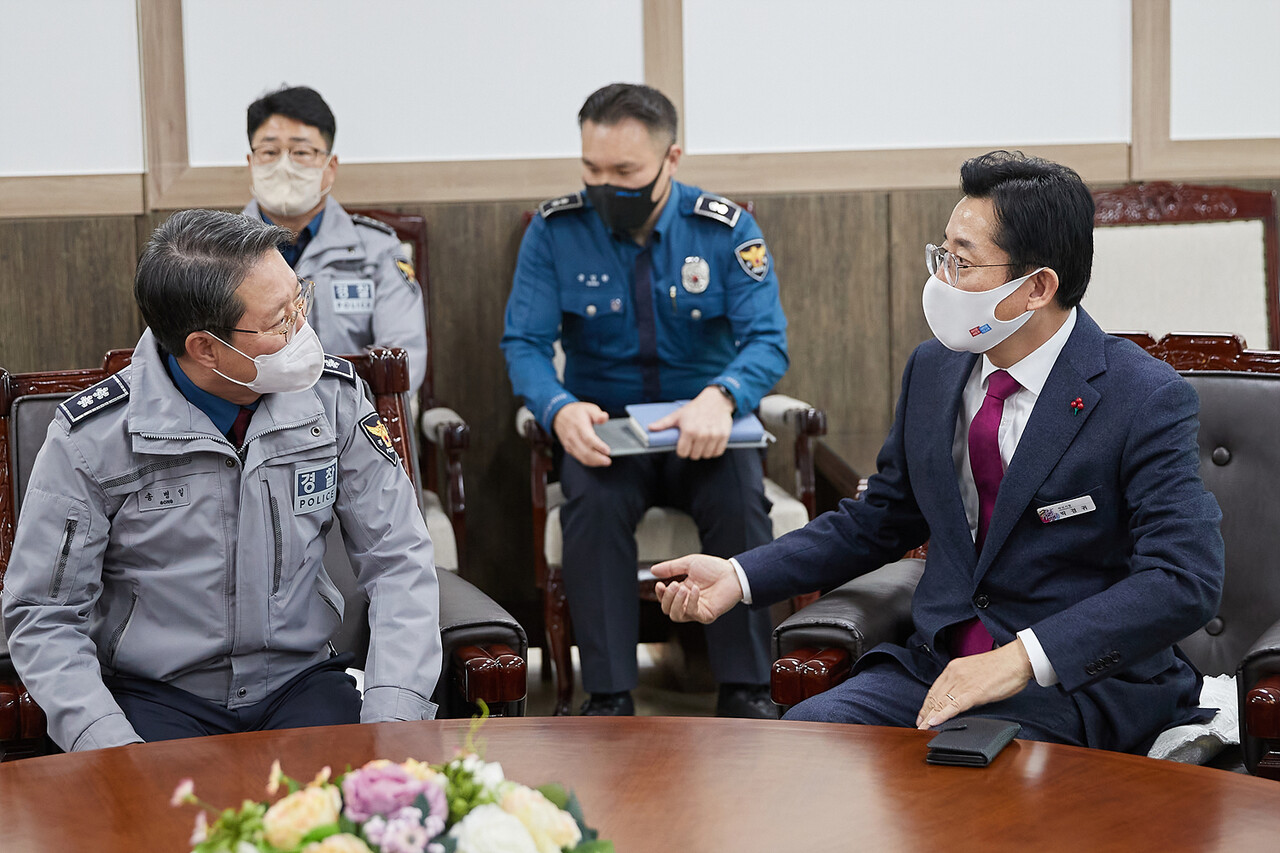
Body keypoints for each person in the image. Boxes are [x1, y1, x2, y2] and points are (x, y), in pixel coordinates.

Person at [654, 151, 1225, 753]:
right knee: (803, 746)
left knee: (962, 778)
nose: (941, 280)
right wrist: (741, 576)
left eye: (963, 261)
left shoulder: (1143, 397)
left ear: (1037, 287)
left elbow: (1183, 578)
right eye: (942, 254)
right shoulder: (934, 368)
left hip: (1074, 684)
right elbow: (880, 519)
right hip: (934, 668)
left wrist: (1021, 659)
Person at [1, 209, 442, 752]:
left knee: (359, 822)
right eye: (280, 319)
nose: (303, 331)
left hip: (299, 684)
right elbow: (44, 616)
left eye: (298, 302)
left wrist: (392, 719)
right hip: (154, 698)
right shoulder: (91, 439)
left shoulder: (334, 401)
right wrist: (110, 749)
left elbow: (398, 557)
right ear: (205, 347)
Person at [501, 83, 789, 718]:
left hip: (706, 428)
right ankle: (607, 697)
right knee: (591, 509)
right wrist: (558, 408)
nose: (606, 186)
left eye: (625, 172)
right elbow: (524, 343)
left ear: (672, 159)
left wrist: (725, 395)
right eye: (592, 169)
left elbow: (767, 340)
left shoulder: (726, 229)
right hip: (609, 430)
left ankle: (746, 690)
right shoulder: (556, 232)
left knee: (741, 504)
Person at [242, 85, 427, 395]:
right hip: (250, 428)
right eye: (270, 152)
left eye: (301, 152)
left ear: (330, 168)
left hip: (351, 425)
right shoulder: (216, 255)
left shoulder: (378, 250)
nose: (285, 166)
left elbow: (402, 363)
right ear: (251, 163)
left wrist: (336, 417)